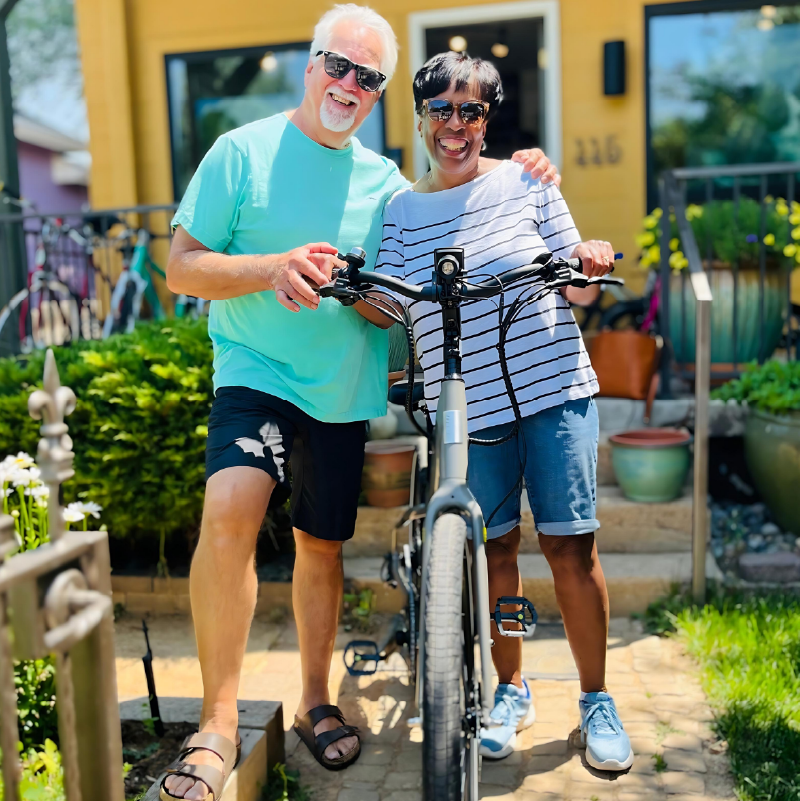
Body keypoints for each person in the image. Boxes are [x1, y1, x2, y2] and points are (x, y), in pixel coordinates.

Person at [161, 6, 561, 798]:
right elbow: (181, 266)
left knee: (321, 544)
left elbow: (456, 191)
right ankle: (215, 720)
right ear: (311, 65)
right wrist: (269, 267)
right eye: (337, 66)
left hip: (343, 393)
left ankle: (316, 698)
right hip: (256, 370)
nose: (349, 85)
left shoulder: (386, 184)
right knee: (231, 511)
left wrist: (528, 173)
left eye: (368, 77)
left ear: (379, 93)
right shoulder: (242, 152)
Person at [373, 52, 634, 772]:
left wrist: (589, 256)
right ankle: (511, 688)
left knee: (571, 549)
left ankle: (594, 697)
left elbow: (577, 283)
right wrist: (329, 280)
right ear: (422, 117)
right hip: (469, 403)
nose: (455, 126)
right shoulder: (399, 210)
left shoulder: (528, 182)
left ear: (488, 118)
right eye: (442, 110)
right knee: (495, 551)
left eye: (472, 110)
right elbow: (387, 303)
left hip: (553, 390)